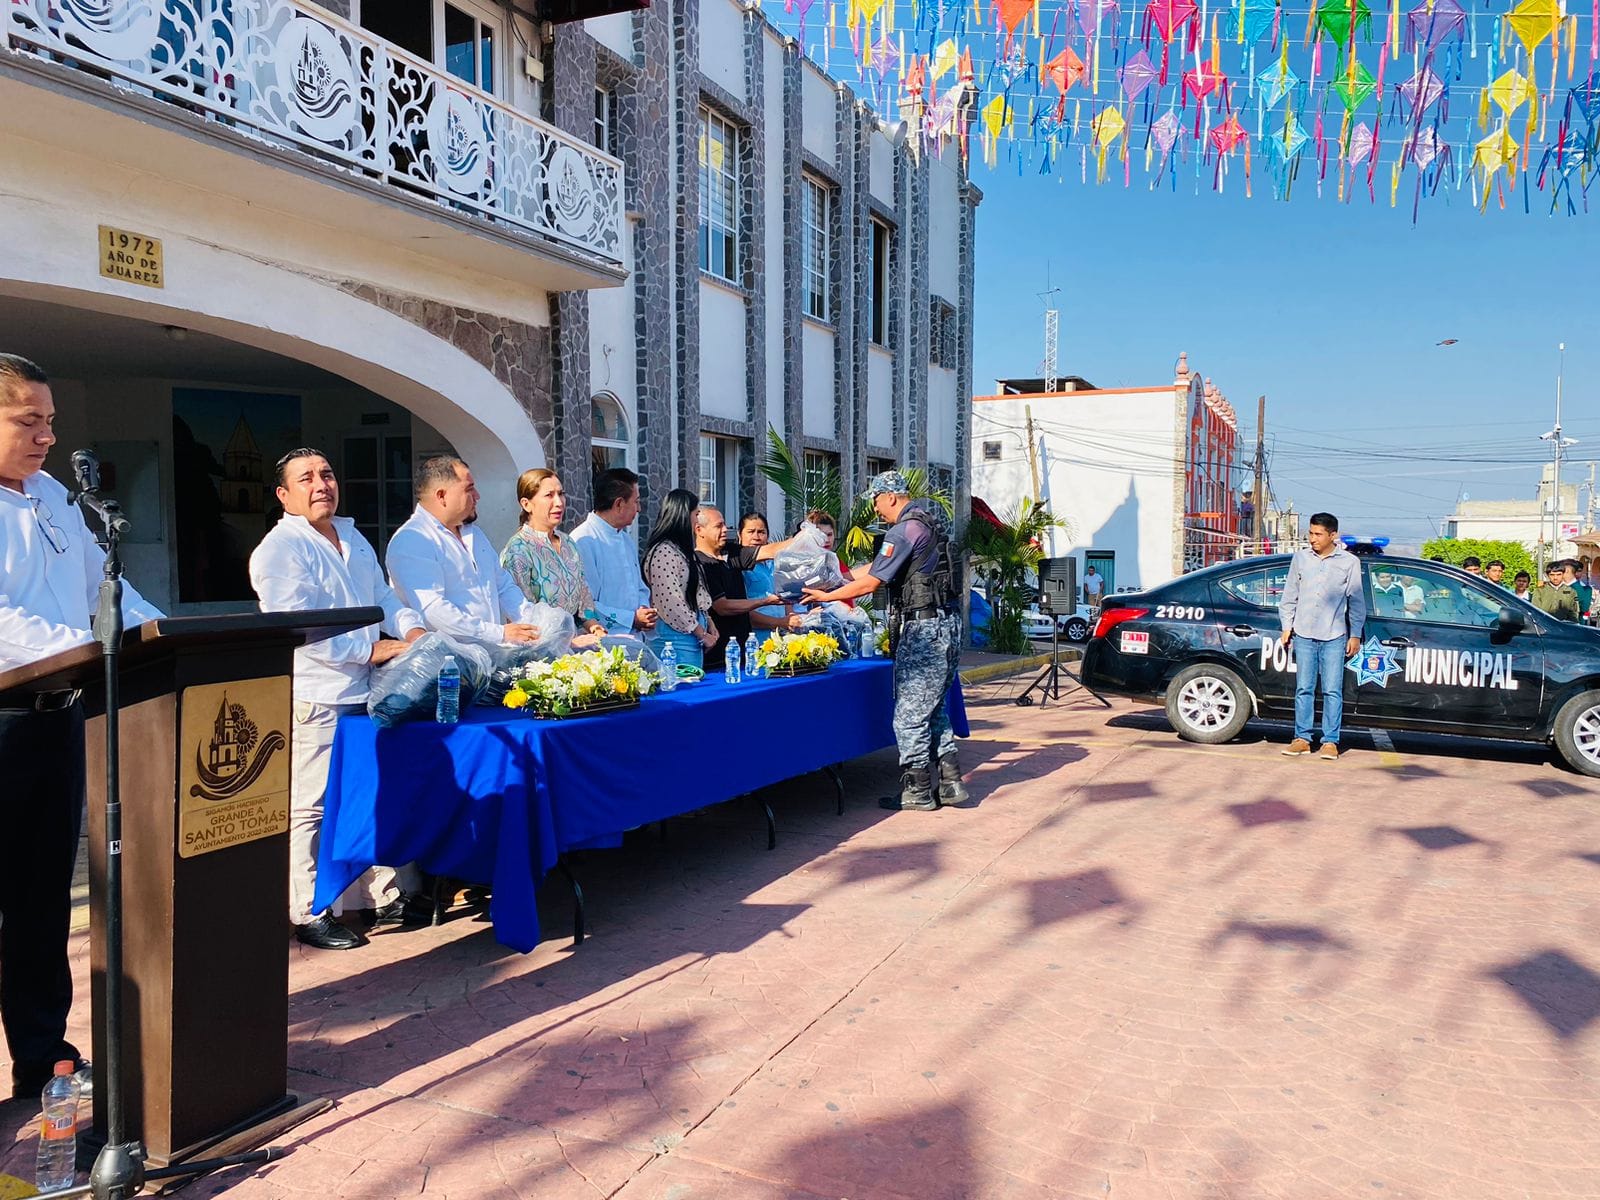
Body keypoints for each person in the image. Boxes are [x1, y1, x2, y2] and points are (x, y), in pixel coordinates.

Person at [0, 354, 163, 1098]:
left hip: (57, 717)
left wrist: (164, 630)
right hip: (3, 715)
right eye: (26, 421)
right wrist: (75, 650)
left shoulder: (54, 497)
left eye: (50, 422)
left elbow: (107, 583)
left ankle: (43, 1057)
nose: (44, 437)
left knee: (39, 902)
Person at [249, 449, 428, 951]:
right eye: (305, 478)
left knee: (370, 792)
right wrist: (368, 649)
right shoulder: (278, 550)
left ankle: (380, 895)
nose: (320, 484)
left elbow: (384, 599)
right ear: (284, 494)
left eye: (326, 474)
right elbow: (297, 626)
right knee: (311, 805)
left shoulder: (350, 536)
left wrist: (411, 631)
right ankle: (307, 910)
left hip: (370, 690)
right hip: (320, 694)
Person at [802, 471, 963, 811]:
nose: (875, 510)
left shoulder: (903, 529)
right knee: (935, 708)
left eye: (876, 501)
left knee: (908, 715)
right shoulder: (931, 524)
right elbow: (874, 569)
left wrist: (824, 596)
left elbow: (871, 583)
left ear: (890, 496)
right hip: (947, 624)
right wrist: (832, 581)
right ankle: (950, 783)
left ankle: (917, 791)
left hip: (924, 630)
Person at [385, 456, 555, 646]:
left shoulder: (474, 533)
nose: (477, 496)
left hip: (490, 656)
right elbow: (433, 610)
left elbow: (503, 586)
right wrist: (498, 633)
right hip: (447, 665)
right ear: (441, 496)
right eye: (469, 488)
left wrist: (536, 628)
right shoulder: (413, 540)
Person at [1278, 511, 1364, 761]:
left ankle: (1330, 741)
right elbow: (1289, 595)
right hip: (1303, 633)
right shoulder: (1301, 559)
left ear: (1332, 535)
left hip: (1334, 635)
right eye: (1311, 533)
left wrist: (1355, 634)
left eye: (1318, 534)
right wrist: (1287, 626)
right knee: (1304, 688)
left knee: (1332, 690)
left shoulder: (1349, 562)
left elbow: (1357, 601)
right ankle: (1302, 738)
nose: (1312, 539)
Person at [500, 469, 605, 638]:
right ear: (526, 504)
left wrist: (595, 628)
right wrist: (567, 642)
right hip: (539, 651)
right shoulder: (518, 549)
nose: (559, 502)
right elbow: (522, 617)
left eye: (561, 494)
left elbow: (584, 601)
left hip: (575, 645)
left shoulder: (568, 543)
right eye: (549, 495)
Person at [693, 507, 801, 668]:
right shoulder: (699, 563)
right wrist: (765, 602)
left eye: (725, 525)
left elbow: (769, 550)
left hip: (747, 651)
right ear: (699, 530)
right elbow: (722, 606)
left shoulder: (731, 553)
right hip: (718, 658)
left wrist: (806, 536)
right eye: (718, 526)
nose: (725, 530)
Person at [570, 467, 657, 636]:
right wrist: (630, 618)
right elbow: (585, 602)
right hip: (601, 642)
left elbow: (639, 587)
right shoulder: (583, 540)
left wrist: (643, 610)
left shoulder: (625, 539)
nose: (639, 509)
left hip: (634, 638)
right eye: (636, 502)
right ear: (619, 504)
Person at [641, 488, 717, 670]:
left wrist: (709, 622)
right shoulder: (663, 552)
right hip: (674, 640)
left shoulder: (681, 551)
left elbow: (695, 592)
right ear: (683, 514)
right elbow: (671, 601)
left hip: (690, 637)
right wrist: (701, 633)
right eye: (696, 514)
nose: (697, 519)